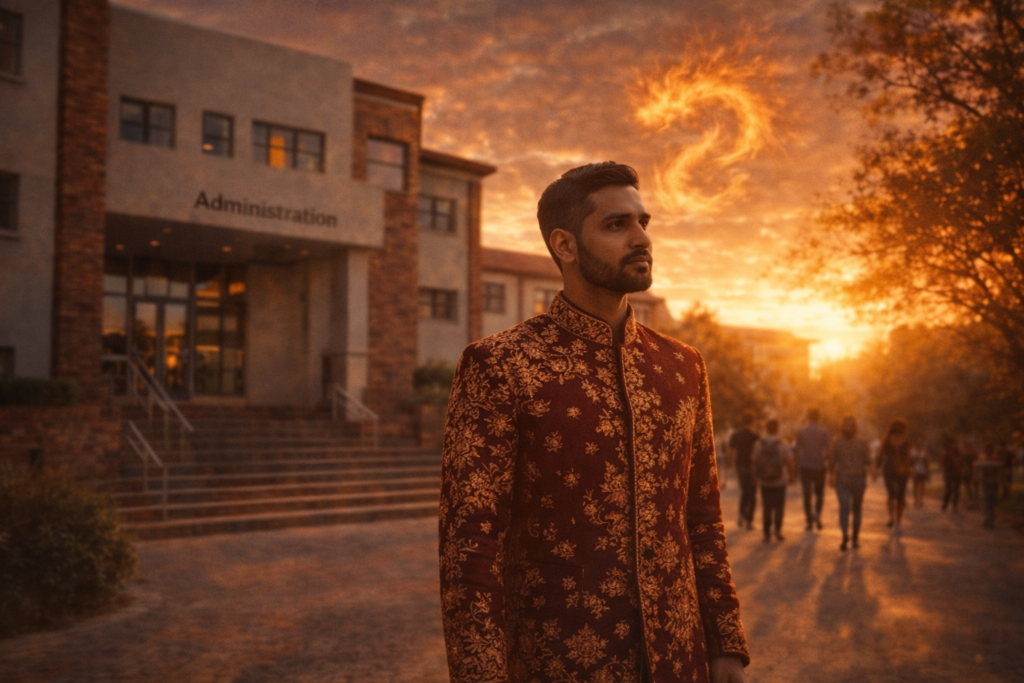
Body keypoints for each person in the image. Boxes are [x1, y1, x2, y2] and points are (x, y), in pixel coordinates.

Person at [439, 162, 749, 683]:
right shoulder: (501, 365)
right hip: (557, 662)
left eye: (642, 222)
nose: (641, 238)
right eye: (616, 225)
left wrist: (726, 646)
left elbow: (702, 516)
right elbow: (470, 547)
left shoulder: (682, 366)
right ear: (564, 245)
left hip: (680, 661)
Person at [827, 416, 871, 551]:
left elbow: (868, 461)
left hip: (858, 480)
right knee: (844, 508)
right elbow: (832, 461)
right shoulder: (836, 443)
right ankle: (845, 535)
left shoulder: (863, 442)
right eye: (846, 425)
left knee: (856, 509)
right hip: (842, 480)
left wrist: (872, 470)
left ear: (855, 427)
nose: (849, 428)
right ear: (842, 427)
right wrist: (831, 476)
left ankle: (855, 537)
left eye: (851, 426)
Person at [751, 419, 794, 542]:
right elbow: (790, 461)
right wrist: (791, 475)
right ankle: (778, 531)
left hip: (765, 481)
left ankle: (766, 533)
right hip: (780, 480)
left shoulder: (759, 443)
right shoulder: (782, 444)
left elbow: (754, 462)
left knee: (767, 506)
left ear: (766, 428)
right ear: (777, 429)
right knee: (779, 506)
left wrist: (754, 477)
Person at [794, 408, 831, 531]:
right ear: (819, 417)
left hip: (805, 466)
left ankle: (809, 520)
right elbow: (827, 450)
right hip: (819, 466)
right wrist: (825, 460)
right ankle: (817, 515)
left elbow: (797, 449)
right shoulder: (824, 432)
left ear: (808, 417)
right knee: (819, 493)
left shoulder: (801, 431)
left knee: (807, 494)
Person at [875, 419, 913, 533]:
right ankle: (895, 521)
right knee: (896, 495)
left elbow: (881, 456)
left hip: (894, 470)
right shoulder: (888, 440)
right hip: (896, 470)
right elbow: (881, 455)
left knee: (895, 495)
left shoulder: (902, 441)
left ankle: (894, 520)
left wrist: (877, 467)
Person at [728, 412, 760, 530]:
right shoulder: (755, 436)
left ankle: (741, 515)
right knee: (752, 492)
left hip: (740, 466)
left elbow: (730, 452)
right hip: (752, 467)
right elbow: (758, 454)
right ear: (752, 422)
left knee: (745, 491)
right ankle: (749, 520)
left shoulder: (735, 435)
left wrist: (729, 465)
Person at [976, 443, 1002, 529]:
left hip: (988, 483)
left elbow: (978, 470)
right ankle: (990, 521)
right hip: (991, 483)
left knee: (989, 503)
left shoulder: (985, 458)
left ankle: (988, 520)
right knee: (990, 502)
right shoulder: (993, 458)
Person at [941, 436, 964, 513]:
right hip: (949, 473)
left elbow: (961, 461)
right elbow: (943, 463)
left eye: (955, 443)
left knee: (956, 490)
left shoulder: (958, 452)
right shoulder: (946, 452)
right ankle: (945, 504)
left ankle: (955, 505)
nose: (955, 445)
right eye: (953, 443)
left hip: (957, 473)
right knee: (949, 489)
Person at [911, 441, 929, 508]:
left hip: (923, 471)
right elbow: (911, 462)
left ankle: (921, 500)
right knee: (915, 486)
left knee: (922, 486)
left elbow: (927, 462)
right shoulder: (913, 452)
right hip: (915, 471)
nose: (919, 447)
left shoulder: (924, 452)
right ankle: (916, 500)